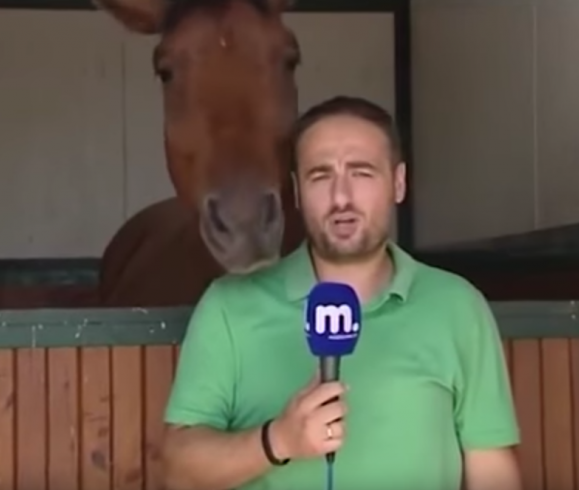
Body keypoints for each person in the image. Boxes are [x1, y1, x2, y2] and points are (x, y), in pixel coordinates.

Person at [159, 95, 522, 490]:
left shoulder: (457, 305)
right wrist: (278, 440)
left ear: (398, 183)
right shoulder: (229, 308)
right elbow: (179, 470)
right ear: (296, 192)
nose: (341, 197)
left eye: (362, 173)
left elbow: (491, 468)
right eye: (320, 176)